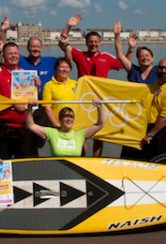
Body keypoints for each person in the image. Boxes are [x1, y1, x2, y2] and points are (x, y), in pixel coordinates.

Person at [58, 13, 121, 156]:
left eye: (96, 42)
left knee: (99, 133)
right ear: (86, 43)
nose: (93, 44)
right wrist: (68, 26)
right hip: (83, 99)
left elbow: (123, 62)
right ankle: (82, 158)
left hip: (101, 100)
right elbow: (63, 43)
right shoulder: (80, 55)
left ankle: (96, 160)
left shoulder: (106, 58)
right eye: (90, 42)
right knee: (81, 132)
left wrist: (128, 47)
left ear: (100, 43)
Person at [0, 42, 39, 159]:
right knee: (3, 162)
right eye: (10, 54)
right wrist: (13, 104)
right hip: (4, 127)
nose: (13, 56)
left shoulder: (26, 74)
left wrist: (37, 87)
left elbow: (32, 98)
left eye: (16, 53)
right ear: (4, 56)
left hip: (25, 126)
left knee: (23, 163)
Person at [123, 58, 166, 160]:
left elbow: (165, 117)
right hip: (150, 127)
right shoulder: (157, 85)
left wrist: (150, 135)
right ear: (157, 69)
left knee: (160, 162)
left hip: (162, 130)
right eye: (161, 68)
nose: (164, 71)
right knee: (145, 160)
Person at [113, 20, 166, 85]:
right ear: (138, 59)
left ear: (152, 58)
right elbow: (120, 55)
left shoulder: (159, 71)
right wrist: (117, 36)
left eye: (147, 55)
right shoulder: (133, 70)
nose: (145, 58)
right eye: (142, 56)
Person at [26, 98, 105, 157]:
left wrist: (99, 107)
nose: (69, 119)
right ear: (60, 119)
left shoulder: (80, 134)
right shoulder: (52, 133)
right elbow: (31, 125)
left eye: (71, 117)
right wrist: (30, 108)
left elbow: (100, 124)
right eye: (66, 116)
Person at [0, 16, 56, 91]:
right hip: (25, 100)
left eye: (38, 47)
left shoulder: (50, 61)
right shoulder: (20, 61)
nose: (35, 49)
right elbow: (6, 50)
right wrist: (3, 31)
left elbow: (68, 62)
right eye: (33, 46)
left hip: (46, 101)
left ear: (41, 48)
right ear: (27, 48)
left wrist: (65, 41)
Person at [41, 56, 77, 128]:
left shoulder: (75, 84)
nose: (64, 69)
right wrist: (57, 125)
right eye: (61, 67)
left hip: (74, 126)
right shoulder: (49, 85)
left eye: (67, 67)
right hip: (57, 127)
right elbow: (47, 108)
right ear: (56, 69)